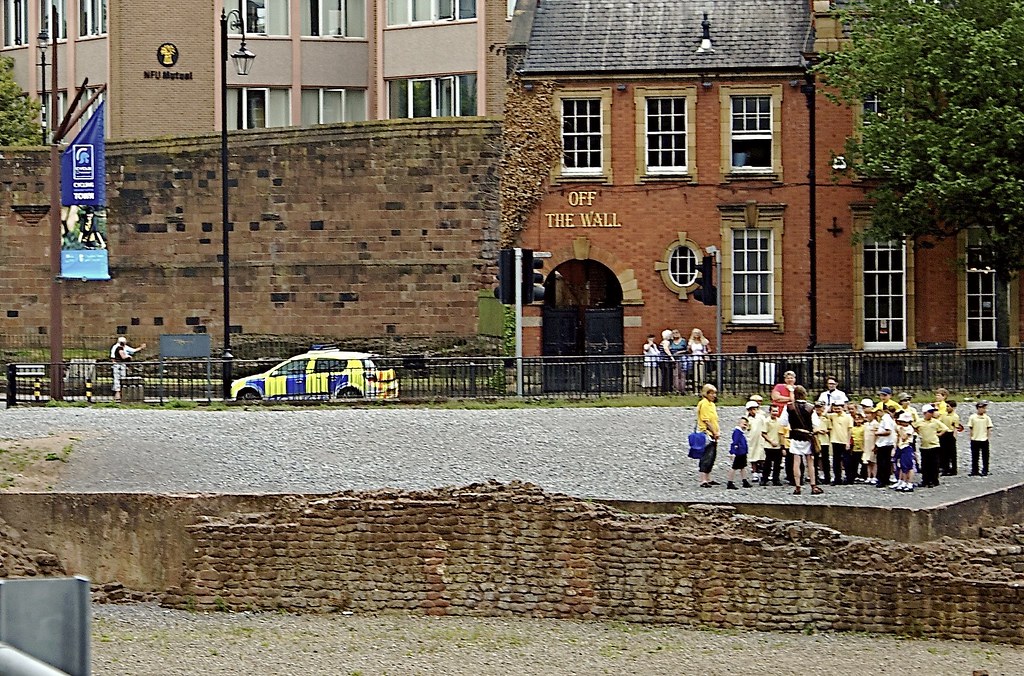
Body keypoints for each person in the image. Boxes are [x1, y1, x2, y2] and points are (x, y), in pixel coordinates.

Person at [786, 385, 824, 495]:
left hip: (795, 437)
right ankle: (813, 485)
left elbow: (783, 422)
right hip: (807, 437)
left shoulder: (789, 407)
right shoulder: (810, 408)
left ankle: (797, 486)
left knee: (796, 462)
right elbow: (816, 424)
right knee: (810, 462)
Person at [916, 404, 951, 488]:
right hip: (924, 446)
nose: (932, 413)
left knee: (934, 464)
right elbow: (914, 427)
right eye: (930, 412)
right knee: (925, 464)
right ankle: (925, 480)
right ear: (925, 413)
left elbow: (945, 428)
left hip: (934, 445)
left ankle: (934, 480)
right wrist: (918, 434)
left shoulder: (935, 421)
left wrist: (939, 434)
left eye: (932, 412)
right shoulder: (919, 421)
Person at [696, 383, 721, 488]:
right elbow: (706, 420)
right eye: (712, 393)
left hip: (713, 433)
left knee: (712, 456)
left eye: (714, 393)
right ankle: (703, 480)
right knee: (706, 456)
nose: (714, 395)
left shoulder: (712, 404)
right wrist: (714, 432)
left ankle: (708, 477)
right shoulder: (704, 404)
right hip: (707, 433)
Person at [110, 336, 146, 402]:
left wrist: (140, 348)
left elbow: (133, 350)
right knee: (119, 379)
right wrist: (128, 356)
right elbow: (122, 356)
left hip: (120, 365)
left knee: (119, 379)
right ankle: (118, 395)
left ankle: (119, 395)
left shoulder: (121, 347)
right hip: (119, 365)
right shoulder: (119, 348)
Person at [827, 401, 854, 485]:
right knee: (836, 461)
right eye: (835, 408)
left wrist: (848, 442)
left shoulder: (848, 417)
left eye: (839, 408)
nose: (837, 410)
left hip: (844, 441)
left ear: (843, 408)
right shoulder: (833, 416)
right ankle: (837, 478)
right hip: (835, 440)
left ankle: (849, 478)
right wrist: (831, 406)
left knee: (847, 461)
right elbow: (824, 413)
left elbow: (850, 430)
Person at [966, 401, 994, 476]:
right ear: (978, 408)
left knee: (985, 456)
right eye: (982, 408)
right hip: (975, 439)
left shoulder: (987, 418)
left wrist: (988, 437)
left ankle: (985, 470)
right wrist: (971, 437)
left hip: (984, 439)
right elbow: (971, 428)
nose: (983, 410)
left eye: (984, 408)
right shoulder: (972, 417)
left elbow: (988, 428)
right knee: (974, 456)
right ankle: (974, 470)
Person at [760, 405, 785, 486]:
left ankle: (776, 479)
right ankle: (764, 479)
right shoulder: (766, 421)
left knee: (778, 464)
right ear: (770, 412)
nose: (775, 413)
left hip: (778, 445)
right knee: (768, 463)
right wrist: (771, 441)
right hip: (769, 446)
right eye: (773, 411)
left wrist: (782, 445)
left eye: (776, 411)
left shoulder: (780, 421)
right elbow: (763, 433)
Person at [893, 412, 918, 492]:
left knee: (909, 466)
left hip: (907, 447)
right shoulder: (901, 427)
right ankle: (902, 481)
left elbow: (904, 437)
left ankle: (909, 482)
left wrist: (900, 430)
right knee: (901, 465)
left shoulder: (909, 429)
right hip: (901, 447)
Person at [727, 417, 753, 489]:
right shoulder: (737, 432)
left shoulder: (740, 432)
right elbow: (735, 442)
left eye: (746, 425)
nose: (745, 426)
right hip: (738, 452)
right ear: (739, 423)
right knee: (734, 467)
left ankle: (744, 481)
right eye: (744, 424)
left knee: (743, 466)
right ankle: (730, 482)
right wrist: (733, 452)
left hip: (742, 452)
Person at [874, 405, 897, 488]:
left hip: (885, 443)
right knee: (885, 462)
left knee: (882, 463)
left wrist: (877, 433)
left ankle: (883, 480)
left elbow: (888, 432)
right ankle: (884, 479)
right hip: (884, 443)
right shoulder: (886, 418)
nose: (877, 413)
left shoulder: (886, 419)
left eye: (878, 411)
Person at [939, 400, 963, 476]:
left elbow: (956, 427)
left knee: (952, 453)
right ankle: (945, 468)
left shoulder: (955, 416)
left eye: (948, 406)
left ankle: (953, 469)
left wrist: (954, 437)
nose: (947, 408)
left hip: (950, 434)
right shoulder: (943, 415)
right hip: (944, 433)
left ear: (953, 407)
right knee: (943, 452)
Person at [744, 399, 767, 477]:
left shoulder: (761, 417)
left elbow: (765, 425)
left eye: (754, 409)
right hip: (752, 439)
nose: (753, 411)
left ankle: (762, 470)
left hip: (761, 438)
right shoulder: (747, 418)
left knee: (761, 454)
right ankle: (754, 471)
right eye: (751, 409)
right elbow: (746, 428)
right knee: (752, 454)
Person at [658, 329, 675, 394]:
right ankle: (667, 389)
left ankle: (664, 389)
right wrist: (672, 357)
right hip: (666, 361)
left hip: (662, 360)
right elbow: (666, 349)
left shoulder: (662, 342)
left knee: (664, 375)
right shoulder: (666, 342)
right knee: (667, 375)